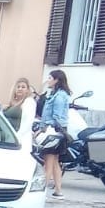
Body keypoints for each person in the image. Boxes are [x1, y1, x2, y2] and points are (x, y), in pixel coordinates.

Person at [36, 69, 73, 198]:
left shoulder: (59, 96)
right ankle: (58, 190)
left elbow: (57, 117)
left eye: (50, 78)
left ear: (57, 80)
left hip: (54, 131)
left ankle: (42, 191)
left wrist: (43, 127)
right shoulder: (55, 93)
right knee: (55, 162)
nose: (48, 80)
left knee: (49, 162)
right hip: (56, 130)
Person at [2, 77, 37, 151]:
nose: (20, 89)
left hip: (19, 140)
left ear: (27, 90)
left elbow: (27, 123)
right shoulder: (11, 104)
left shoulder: (29, 102)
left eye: (23, 87)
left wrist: (17, 138)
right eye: (18, 87)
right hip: (7, 139)